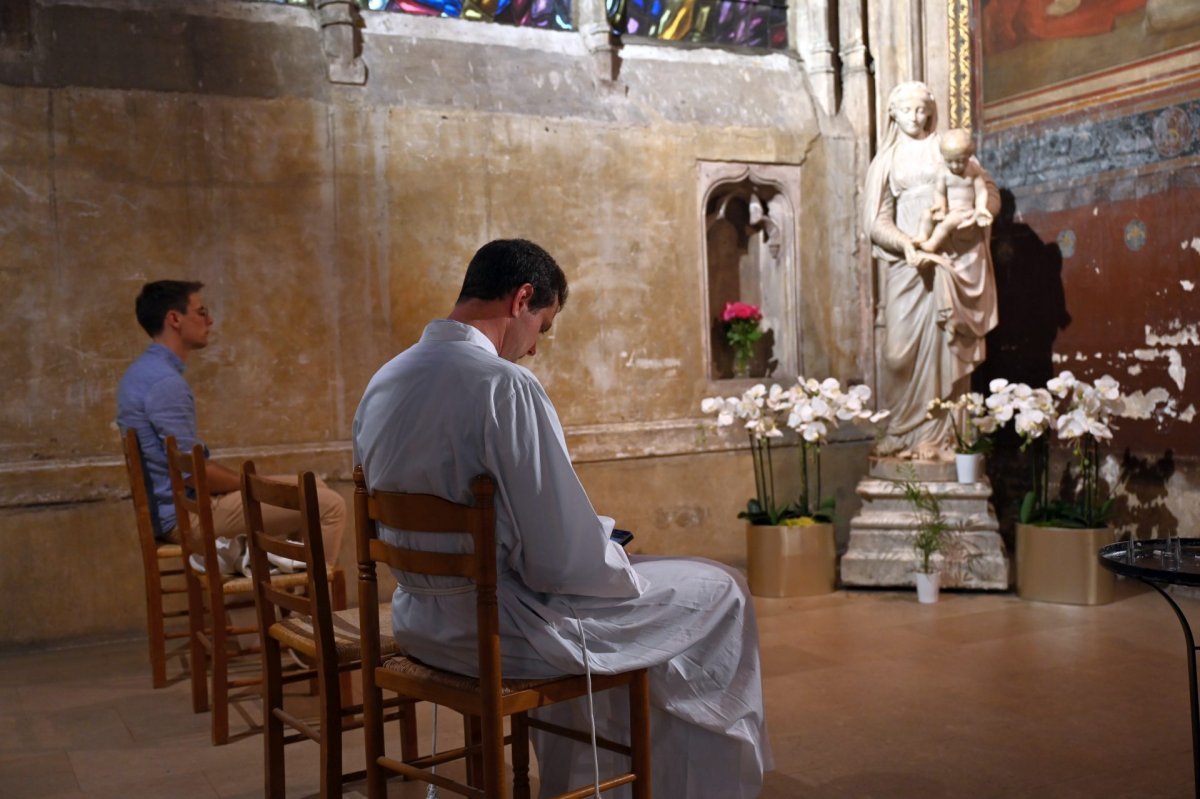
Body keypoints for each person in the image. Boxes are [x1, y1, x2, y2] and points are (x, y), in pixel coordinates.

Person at [353, 239, 771, 798]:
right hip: (499, 633)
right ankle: (697, 787)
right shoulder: (504, 386)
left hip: (419, 623)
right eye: (543, 328)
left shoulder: (384, 381)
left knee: (631, 618)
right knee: (722, 591)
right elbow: (559, 561)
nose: (533, 351)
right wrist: (606, 547)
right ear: (523, 298)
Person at [116, 280, 345, 573]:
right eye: (201, 312)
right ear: (174, 319)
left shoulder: (142, 373)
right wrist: (253, 486)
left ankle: (289, 581)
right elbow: (192, 474)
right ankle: (313, 604)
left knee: (313, 487)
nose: (210, 320)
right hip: (188, 517)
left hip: (177, 508)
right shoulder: (165, 383)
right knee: (330, 505)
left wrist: (258, 486)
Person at [863, 82, 1000, 460]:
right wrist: (907, 244)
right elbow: (876, 221)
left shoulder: (952, 149)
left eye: (923, 109)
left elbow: (988, 192)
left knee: (949, 346)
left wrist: (974, 220)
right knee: (896, 354)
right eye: (907, 110)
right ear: (893, 113)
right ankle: (901, 429)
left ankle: (943, 438)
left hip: (952, 263)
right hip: (907, 265)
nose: (916, 117)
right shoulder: (886, 161)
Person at [913, 128, 994, 258]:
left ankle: (932, 244)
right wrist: (940, 206)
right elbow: (939, 192)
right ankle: (922, 235)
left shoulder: (973, 171)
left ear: (968, 156)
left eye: (960, 161)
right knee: (926, 214)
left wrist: (980, 208)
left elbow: (981, 191)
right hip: (948, 210)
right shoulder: (943, 172)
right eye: (949, 161)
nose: (955, 166)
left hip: (964, 213)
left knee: (947, 223)